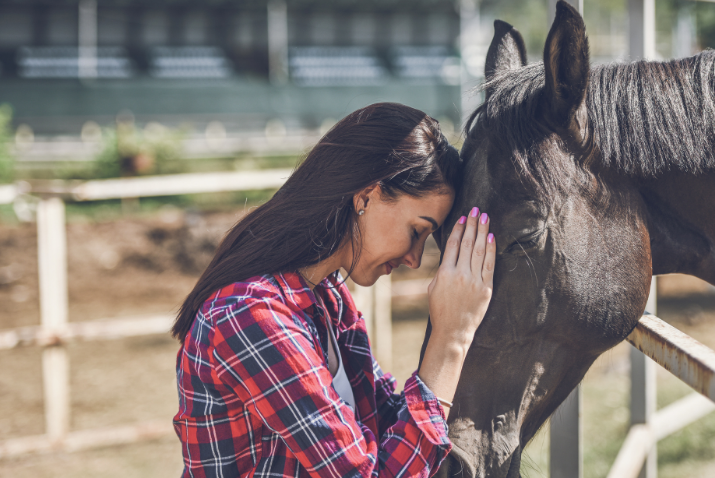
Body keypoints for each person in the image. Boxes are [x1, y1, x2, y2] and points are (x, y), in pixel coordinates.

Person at [171, 103, 496, 478]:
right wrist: (451, 338)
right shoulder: (251, 316)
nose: (415, 258)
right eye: (416, 231)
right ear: (366, 196)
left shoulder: (328, 301)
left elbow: (384, 423)